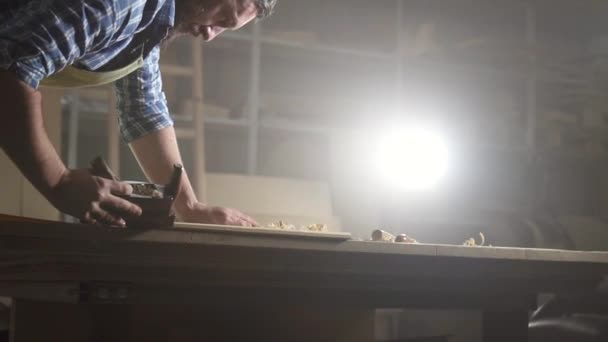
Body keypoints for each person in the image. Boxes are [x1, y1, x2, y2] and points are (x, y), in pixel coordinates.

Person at [0, 0, 276, 227]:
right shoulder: (123, 4)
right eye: (223, 17)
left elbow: (144, 110)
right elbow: (9, 73)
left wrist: (190, 208)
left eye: (226, 27)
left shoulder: (154, 19)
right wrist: (59, 182)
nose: (209, 34)